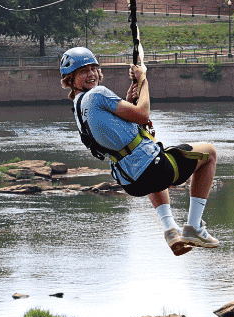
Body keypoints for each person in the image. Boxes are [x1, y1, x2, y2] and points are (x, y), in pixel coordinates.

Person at [60, 47, 219, 256]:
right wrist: (143, 80)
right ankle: (194, 228)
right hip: (153, 169)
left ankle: (171, 230)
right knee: (209, 153)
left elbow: (115, 126)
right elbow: (143, 115)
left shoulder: (79, 108)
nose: (91, 74)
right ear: (70, 79)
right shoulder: (98, 94)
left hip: (130, 181)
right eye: (83, 71)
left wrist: (127, 98)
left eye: (93, 68)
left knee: (150, 167)